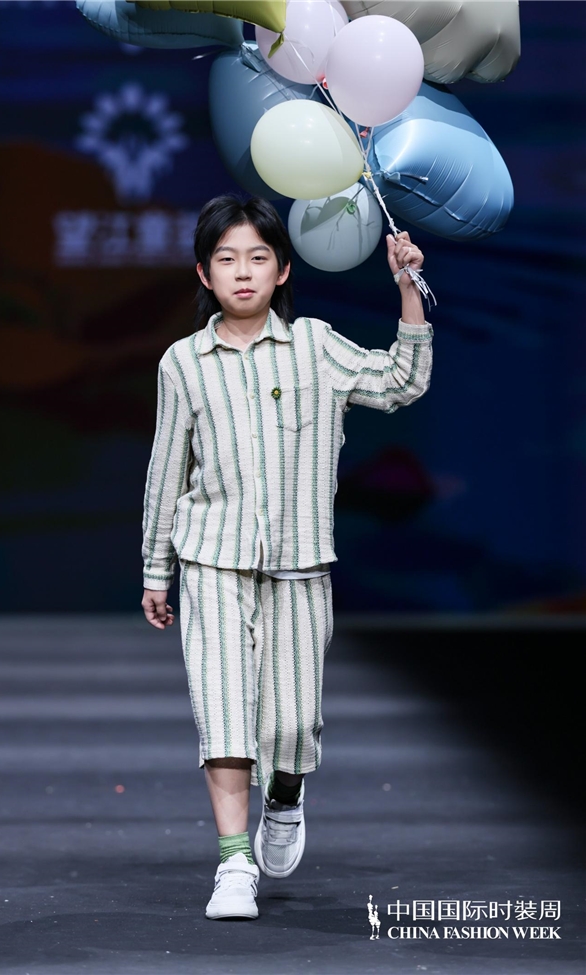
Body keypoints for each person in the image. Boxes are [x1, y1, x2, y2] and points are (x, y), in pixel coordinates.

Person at [141, 195, 433, 921]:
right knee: (223, 710)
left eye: (258, 257)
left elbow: (401, 382)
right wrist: (156, 568)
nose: (242, 272)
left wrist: (407, 287)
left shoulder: (316, 346)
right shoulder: (183, 363)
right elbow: (166, 469)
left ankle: (286, 794)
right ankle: (233, 863)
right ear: (204, 274)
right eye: (226, 259)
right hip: (212, 558)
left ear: (283, 269)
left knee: (292, 727)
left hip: (300, 563)